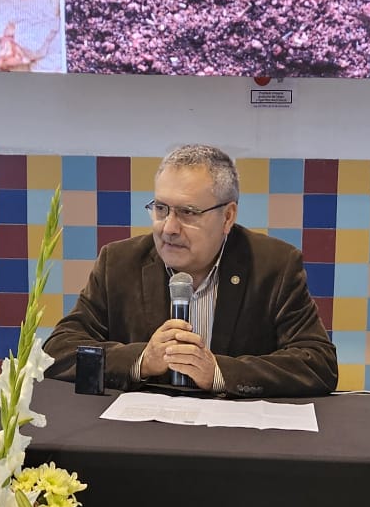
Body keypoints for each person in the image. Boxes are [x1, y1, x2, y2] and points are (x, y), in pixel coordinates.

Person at [45, 144, 336, 397]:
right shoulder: (120, 262)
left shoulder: (274, 265)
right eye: (161, 209)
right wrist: (142, 359)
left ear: (228, 216)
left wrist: (219, 372)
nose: (169, 228)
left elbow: (317, 363)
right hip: (140, 438)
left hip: (237, 443)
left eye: (188, 212)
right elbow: (58, 351)